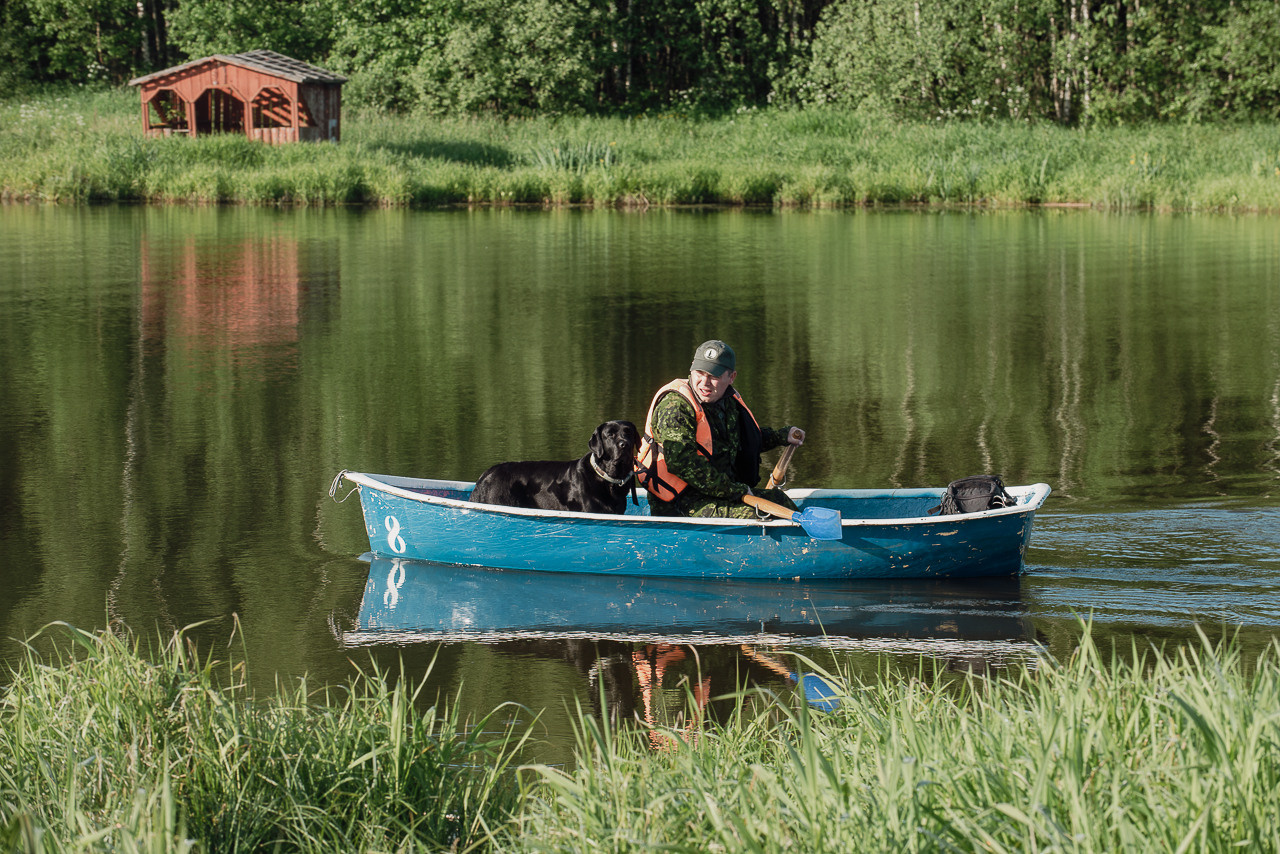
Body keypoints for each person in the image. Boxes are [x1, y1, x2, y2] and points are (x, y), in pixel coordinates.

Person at [637, 339, 804, 518]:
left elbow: (743, 440)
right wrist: (734, 490)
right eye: (699, 373)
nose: (704, 382)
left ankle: (806, 540)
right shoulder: (675, 407)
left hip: (718, 493)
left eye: (714, 376)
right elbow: (682, 463)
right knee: (760, 516)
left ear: (731, 377)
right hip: (681, 503)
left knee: (778, 498)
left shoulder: (726, 401)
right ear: (691, 369)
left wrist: (782, 436)